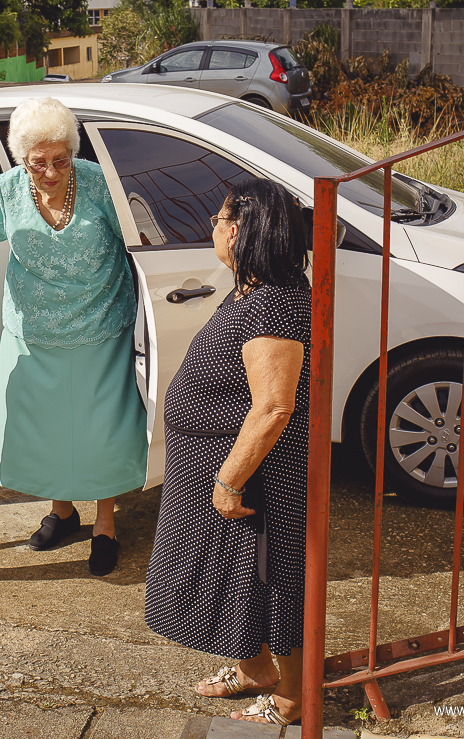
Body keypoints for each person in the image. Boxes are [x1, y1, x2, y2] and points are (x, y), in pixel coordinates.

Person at [144, 178, 311, 727]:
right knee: (233, 576)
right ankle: (254, 665)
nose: (213, 228)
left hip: (255, 479)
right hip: (213, 466)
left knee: (269, 580)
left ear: (239, 231)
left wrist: (229, 479)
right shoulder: (256, 291)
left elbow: (273, 408)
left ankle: (293, 699)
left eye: (218, 220)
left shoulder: (276, 306)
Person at [0, 96, 146, 577]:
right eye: (37, 162)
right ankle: (63, 511)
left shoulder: (98, 182)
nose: (49, 171)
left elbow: (137, 235)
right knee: (47, 431)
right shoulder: (6, 191)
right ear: (22, 157)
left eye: (59, 160)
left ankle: (106, 523)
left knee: (99, 430)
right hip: (35, 333)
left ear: (72, 151)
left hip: (100, 326)